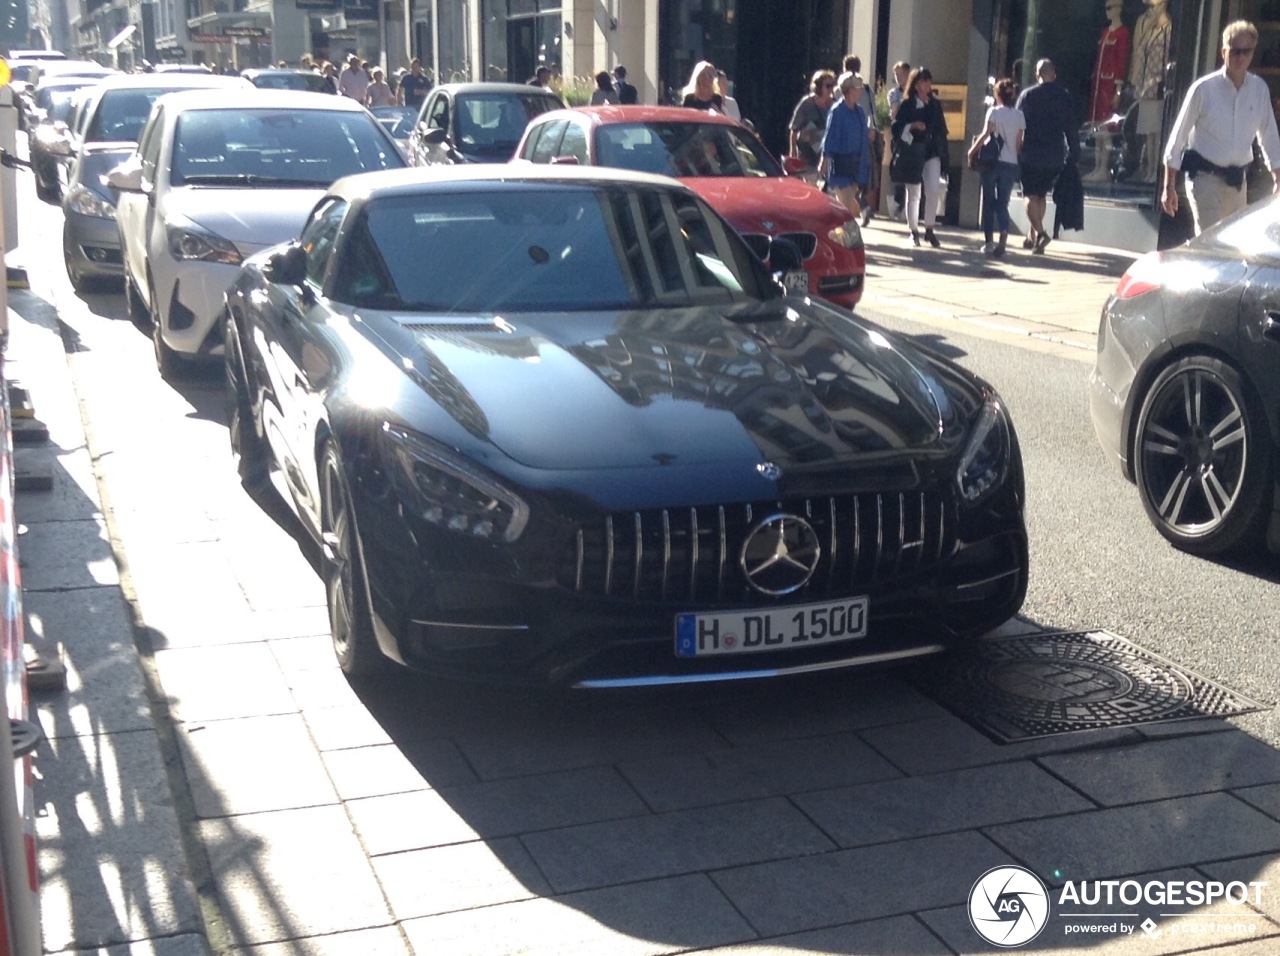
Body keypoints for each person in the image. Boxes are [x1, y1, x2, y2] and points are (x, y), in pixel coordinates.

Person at [1162, 20, 1280, 235]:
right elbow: (1177, 139)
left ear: (1253, 54)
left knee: (1235, 246)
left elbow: (1269, 136)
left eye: (1246, 52)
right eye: (1235, 51)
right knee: (1210, 241)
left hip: (1237, 183)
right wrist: (1168, 187)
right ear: (1223, 51)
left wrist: (1277, 177)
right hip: (1204, 179)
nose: (1240, 58)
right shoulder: (1203, 89)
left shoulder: (1259, 89)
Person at [1015, 59, 1075, 253]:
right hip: (1054, 155)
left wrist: (1016, 147)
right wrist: (1074, 151)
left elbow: (1018, 123)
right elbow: (1070, 127)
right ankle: (1032, 236)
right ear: (1054, 74)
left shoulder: (1027, 96)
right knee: (1041, 197)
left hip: (1031, 153)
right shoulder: (1064, 96)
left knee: (1029, 195)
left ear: (1037, 74)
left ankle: (1040, 233)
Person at [891, 66, 949, 248]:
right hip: (913, 153)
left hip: (931, 152)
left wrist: (944, 155)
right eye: (924, 80)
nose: (927, 84)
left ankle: (929, 229)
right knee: (913, 192)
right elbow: (896, 128)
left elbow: (942, 131)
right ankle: (913, 231)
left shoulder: (934, 104)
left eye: (929, 80)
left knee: (932, 190)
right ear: (916, 85)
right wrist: (912, 126)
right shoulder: (907, 104)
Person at [966, 77, 1025, 257]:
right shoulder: (1019, 116)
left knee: (989, 201)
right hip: (1010, 164)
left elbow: (986, 134)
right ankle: (1004, 234)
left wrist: (972, 152)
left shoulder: (993, 112)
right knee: (1003, 203)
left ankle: (989, 241)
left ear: (998, 95)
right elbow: (1019, 143)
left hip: (992, 162)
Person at [818, 72, 872, 219]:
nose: (861, 90)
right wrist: (823, 162)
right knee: (844, 208)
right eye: (858, 87)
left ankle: (846, 231)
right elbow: (830, 138)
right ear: (849, 90)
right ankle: (841, 238)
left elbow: (863, 140)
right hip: (841, 167)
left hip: (856, 166)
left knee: (848, 208)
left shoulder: (860, 112)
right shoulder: (837, 111)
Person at [843, 54, 880, 224]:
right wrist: (871, 131)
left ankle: (859, 207)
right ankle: (864, 204)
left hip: (847, 139)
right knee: (859, 174)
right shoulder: (866, 89)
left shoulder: (841, 89)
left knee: (846, 176)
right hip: (864, 138)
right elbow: (873, 115)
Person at [789, 69, 837, 179]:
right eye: (828, 86)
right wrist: (793, 152)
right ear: (819, 87)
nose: (831, 89)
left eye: (832, 85)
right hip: (807, 156)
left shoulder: (835, 105)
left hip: (826, 158)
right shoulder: (807, 104)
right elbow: (794, 129)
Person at [887, 60, 910, 218]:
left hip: (915, 135)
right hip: (899, 135)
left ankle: (907, 206)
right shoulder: (894, 93)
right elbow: (895, 112)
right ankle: (899, 202)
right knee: (899, 167)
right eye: (896, 75)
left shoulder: (916, 91)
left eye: (902, 74)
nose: (899, 78)